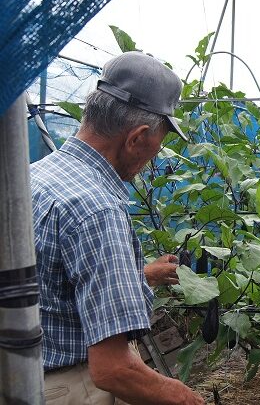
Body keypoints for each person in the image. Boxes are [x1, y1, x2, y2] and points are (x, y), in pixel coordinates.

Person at [31, 51, 205, 404]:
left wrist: (140, 275)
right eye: (161, 139)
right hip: (73, 390)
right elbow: (114, 370)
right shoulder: (97, 209)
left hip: (24, 376)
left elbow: (51, 284)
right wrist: (191, 400)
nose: (158, 150)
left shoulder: (34, 176)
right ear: (137, 137)